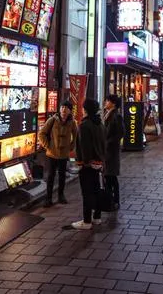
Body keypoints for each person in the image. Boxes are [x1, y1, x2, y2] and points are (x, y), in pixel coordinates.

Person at [72, 98, 107, 230]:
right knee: (97, 190)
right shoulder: (100, 125)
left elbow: (84, 146)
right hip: (99, 163)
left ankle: (86, 221)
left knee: (87, 192)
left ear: (85, 110)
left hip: (88, 165)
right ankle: (97, 218)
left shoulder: (84, 125)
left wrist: (84, 163)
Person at [38, 100, 78, 207]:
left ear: (70, 110)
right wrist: (47, 146)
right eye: (62, 107)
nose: (63, 110)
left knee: (62, 176)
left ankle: (61, 196)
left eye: (66, 108)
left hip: (64, 154)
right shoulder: (52, 120)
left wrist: (71, 146)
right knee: (50, 176)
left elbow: (76, 135)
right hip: (52, 154)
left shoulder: (73, 122)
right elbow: (41, 134)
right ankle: (48, 198)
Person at [102, 94, 125, 210]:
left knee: (111, 176)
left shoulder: (116, 116)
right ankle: (110, 200)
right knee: (109, 176)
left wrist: (109, 143)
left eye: (107, 101)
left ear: (113, 103)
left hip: (111, 151)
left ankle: (114, 200)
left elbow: (120, 133)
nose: (105, 102)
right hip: (107, 151)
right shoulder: (109, 114)